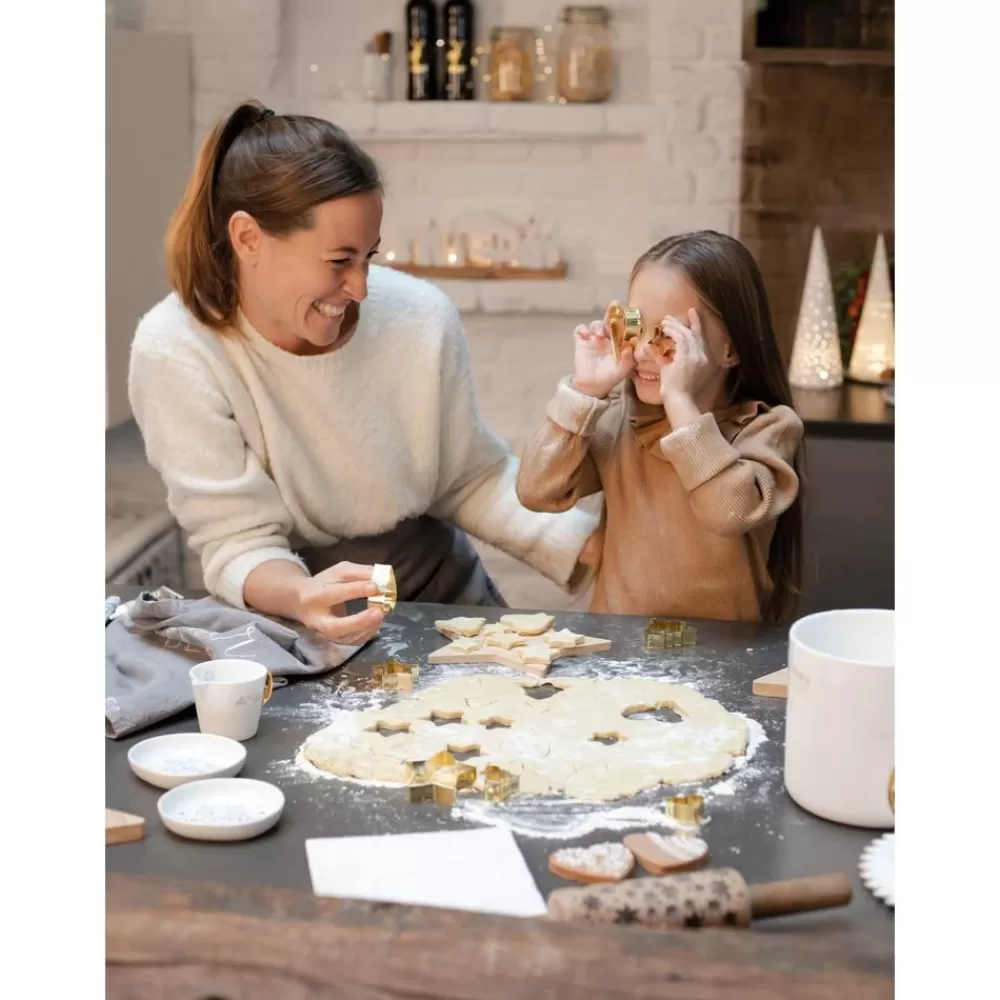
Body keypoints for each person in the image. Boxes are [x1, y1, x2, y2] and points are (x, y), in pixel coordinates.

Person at [128, 100, 597, 648]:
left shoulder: (421, 317)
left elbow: (470, 477)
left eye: (368, 258)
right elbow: (238, 541)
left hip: (442, 594)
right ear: (248, 238)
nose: (361, 289)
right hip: (291, 616)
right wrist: (305, 598)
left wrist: (595, 545)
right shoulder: (177, 351)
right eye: (338, 261)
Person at [516, 231, 804, 624]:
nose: (643, 352)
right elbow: (536, 491)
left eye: (669, 337)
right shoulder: (620, 421)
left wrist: (680, 403)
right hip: (618, 650)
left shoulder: (767, 428)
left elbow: (727, 512)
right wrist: (585, 393)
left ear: (730, 349)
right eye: (633, 329)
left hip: (720, 658)